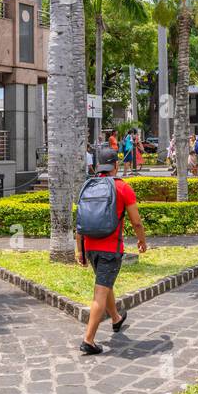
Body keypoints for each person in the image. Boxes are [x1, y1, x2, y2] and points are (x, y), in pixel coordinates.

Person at [75, 144, 147, 355]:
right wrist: (142, 241)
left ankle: (115, 318)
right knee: (100, 293)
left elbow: (80, 220)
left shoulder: (89, 185)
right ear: (115, 165)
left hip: (90, 246)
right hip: (110, 248)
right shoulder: (123, 187)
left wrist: (80, 250)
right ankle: (88, 340)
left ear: (99, 166)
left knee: (104, 284)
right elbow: (136, 222)